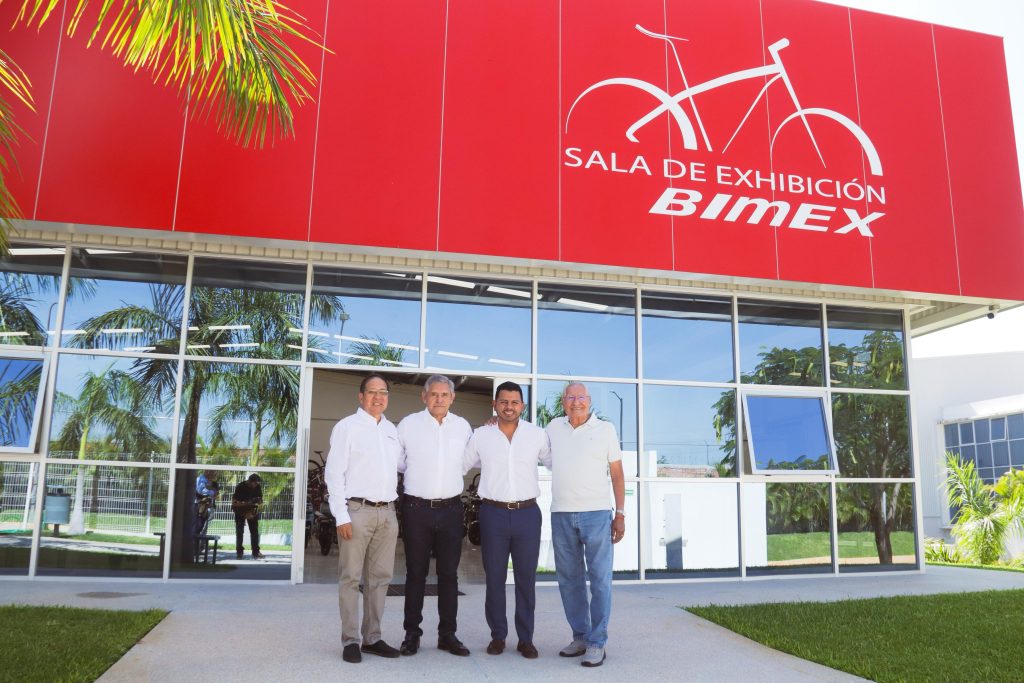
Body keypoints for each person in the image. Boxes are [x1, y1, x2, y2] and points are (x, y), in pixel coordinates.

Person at [463, 381, 551, 659]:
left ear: (522, 406)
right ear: (495, 404)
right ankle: (498, 636)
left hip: (527, 514)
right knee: (495, 579)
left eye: (514, 402)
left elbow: (557, 463)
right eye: (503, 401)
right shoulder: (481, 435)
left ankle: (526, 639)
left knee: (526, 580)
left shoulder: (537, 435)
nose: (509, 407)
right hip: (493, 514)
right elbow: (460, 465)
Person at [545, 382, 626, 668]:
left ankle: (597, 641)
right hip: (561, 514)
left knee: (600, 579)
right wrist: (496, 423)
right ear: (563, 402)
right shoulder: (553, 427)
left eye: (581, 397)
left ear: (589, 401)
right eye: (570, 397)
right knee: (569, 581)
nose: (576, 401)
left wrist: (620, 513)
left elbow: (617, 474)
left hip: (597, 514)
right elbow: (527, 442)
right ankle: (580, 636)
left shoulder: (605, 430)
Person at [324, 373, 402, 664]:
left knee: (380, 579)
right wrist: (340, 515)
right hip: (357, 512)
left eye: (383, 392)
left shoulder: (391, 429)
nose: (378, 397)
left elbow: (403, 464)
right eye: (372, 391)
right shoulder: (347, 427)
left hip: (388, 513)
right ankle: (350, 640)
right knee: (350, 578)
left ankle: (373, 638)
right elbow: (334, 473)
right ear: (361, 396)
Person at [396, 375, 473, 657]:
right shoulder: (408, 425)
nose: (439, 399)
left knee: (449, 574)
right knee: (416, 573)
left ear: (452, 398)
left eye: (444, 394)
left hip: (451, 510)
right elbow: (399, 462)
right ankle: (411, 634)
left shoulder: (463, 427)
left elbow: (467, 461)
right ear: (424, 396)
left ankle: (447, 634)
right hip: (416, 509)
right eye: (434, 394)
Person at [231, 474, 264, 560]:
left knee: (254, 531)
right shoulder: (241, 486)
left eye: (257, 483)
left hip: (251, 509)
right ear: (250, 481)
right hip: (240, 510)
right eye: (255, 483)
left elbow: (260, 499)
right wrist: (247, 503)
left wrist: (258, 500)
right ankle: (239, 552)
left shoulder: (257, 487)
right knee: (239, 531)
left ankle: (256, 552)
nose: (256, 485)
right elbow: (235, 502)